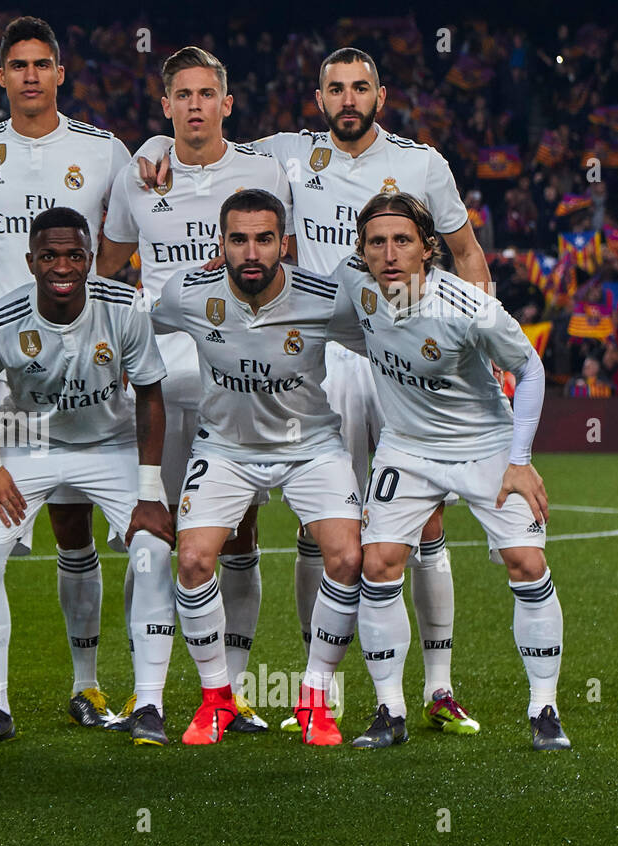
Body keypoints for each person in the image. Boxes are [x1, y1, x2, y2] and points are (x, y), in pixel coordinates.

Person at [141, 46, 487, 733]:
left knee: (424, 521)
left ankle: (438, 688)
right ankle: (316, 686)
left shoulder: (422, 164)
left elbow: (469, 255)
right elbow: (202, 135)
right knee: (325, 533)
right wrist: (149, 147)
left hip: (398, 354)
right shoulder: (285, 157)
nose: (348, 98)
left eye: (361, 87)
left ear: (380, 97)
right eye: (335, 88)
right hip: (318, 355)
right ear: (319, 97)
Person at [0, 206, 176, 745]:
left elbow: (149, 396)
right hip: (29, 443)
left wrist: (148, 491)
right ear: (30, 261)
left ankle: (149, 704)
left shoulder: (123, 307)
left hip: (110, 445)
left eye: (75, 254)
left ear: (90, 259)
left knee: (154, 552)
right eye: (49, 255)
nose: (63, 266)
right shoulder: (0, 320)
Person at [95, 45, 293, 732]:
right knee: (151, 525)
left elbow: (282, 253)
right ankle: (145, 695)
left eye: (207, 94)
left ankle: (229, 696)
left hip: (237, 376)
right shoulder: (139, 173)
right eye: (183, 95)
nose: (196, 106)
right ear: (167, 105)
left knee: (238, 533)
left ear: (227, 103)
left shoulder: (262, 169)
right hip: (155, 377)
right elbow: (109, 263)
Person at [0, 16, 133, 730]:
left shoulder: (101, 149)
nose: (29, 75)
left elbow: (119, 237)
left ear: (60, 73)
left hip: (79, 365)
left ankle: (87, 686)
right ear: (1, 77)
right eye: (16, 65)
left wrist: (84, 307)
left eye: (41, 64)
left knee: (73, 521)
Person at [334, 192, 568, 751]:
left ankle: (544, 708)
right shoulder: (356, 285)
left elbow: (530, 369)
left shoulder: (469, 307)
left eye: (402, 241)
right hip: (407, 447)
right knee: (380, 562)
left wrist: (520, 461)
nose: (388, 254)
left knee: (526, 561)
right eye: (376, 243)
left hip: (483, 444)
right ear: (362, 251)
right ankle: (389, 710)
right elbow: (312, 306)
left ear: (427, 248)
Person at [152, 189, 365, 745]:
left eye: (264, 239)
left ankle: (315, 699)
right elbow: (135, 328)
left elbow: (386, 342)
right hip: (224, 448)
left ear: (284, 244)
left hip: (310, 447)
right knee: (194, 559)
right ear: (219, 245)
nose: (252, 252)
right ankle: (217, 700)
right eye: (239, 239)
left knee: (346, 558)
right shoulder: (187, 294)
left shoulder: (326, 299)